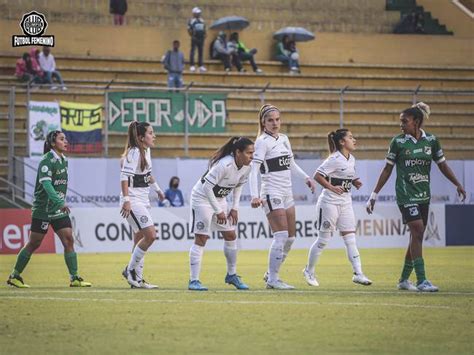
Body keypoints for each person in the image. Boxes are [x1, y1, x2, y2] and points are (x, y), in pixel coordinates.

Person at [367, 102, 466, 292]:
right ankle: (422, 280)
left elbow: (442, 165)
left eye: (405, 121)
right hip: (405, 194)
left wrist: (457, 184)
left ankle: (404, 280)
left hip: (424, 195)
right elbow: (387, 169)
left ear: (417, 122)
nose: (401, 125)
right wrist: (374, 194)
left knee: (416, 236)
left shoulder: (431, 140)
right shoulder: (398, 142)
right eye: (400, 122)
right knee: (418, 231)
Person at [6, 130, 91, 288]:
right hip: (43, 209)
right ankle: (14, 276)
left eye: (65, 138)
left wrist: (59, 203)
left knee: (69, 239)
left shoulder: (63, 160)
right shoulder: (46, 161)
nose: (65, 141)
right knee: (34, 243)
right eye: (61, 139)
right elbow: (47, 185)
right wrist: (60, 201)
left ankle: (75, 278)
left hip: (57, 210)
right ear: (53, 143)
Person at [250, 104, 316, 289]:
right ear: (263, 122)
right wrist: (255, 195)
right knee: (281, 235)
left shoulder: (284, 139)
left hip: (287, 193)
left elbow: (291, 164)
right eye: (270, 120)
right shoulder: (262, 142)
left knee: (290, 238)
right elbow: (253, 170)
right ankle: (273, 279)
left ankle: (271, 272)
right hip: (272, 192)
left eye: (277, 119)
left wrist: (306, 178)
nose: (275, 123)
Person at [303, 129, 372, 287]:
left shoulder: (351, 159)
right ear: (342, 142)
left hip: (346, 203)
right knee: (323, 240)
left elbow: (344, 173)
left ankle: (358, 274)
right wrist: (332, 187)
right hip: (329, 203)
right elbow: (318, 175)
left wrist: (354, 181)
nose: (354, 140)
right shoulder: (334, 158)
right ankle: (309, 271)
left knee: (350, 239)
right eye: (350, 137)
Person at [188, 136, 254, 291]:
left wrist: (235, 208)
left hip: (220, 199)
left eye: (253, 152)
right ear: (238, 152)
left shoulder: (247, 167)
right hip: (202, 198)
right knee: (201, 238)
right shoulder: (224, 164)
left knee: (231, 235)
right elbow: (206, 188)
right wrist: (218, 211)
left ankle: (231, 275)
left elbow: (238, 186)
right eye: (249, 153)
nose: (252, 156)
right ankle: (194, 280)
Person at [120, 121, 165, 289]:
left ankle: (137, 279)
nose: (154, 136)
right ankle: (130, 270)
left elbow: (147, 174)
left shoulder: (146, 151)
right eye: (151, 133)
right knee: (150, 235)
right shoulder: (133, 153)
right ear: (141, 137)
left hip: (143, 200)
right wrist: (126, 201)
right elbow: (124, 178)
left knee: (140, 238)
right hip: (133, 200)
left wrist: (158, 189)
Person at [187, 7, 206, 72]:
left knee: (200, 52)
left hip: (201, 38)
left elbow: (204, 28)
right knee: (193, 51)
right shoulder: (191, 21)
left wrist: (204, 34)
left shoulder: (202, 20)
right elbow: (189, 29)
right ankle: (192, 65)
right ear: (194, 13)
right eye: (197, 13)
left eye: (199, 13)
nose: (199, 14)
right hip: (195, 38)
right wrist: (192, 35)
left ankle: (200, 65)